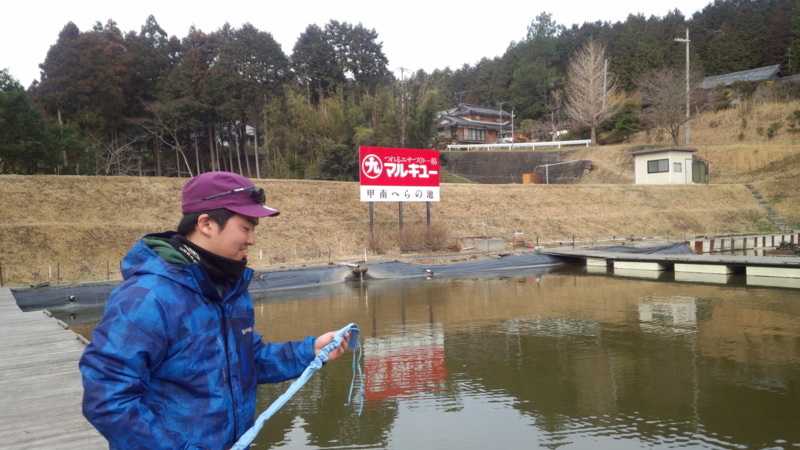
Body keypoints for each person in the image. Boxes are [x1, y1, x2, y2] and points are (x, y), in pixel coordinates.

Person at [79, 171, 349, 450]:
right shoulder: (146, 298)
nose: (252, 240)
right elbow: (108, 400)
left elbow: (247, 363)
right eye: (246, 228)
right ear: (206, 224)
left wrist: (311, 350)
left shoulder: (231, 291)